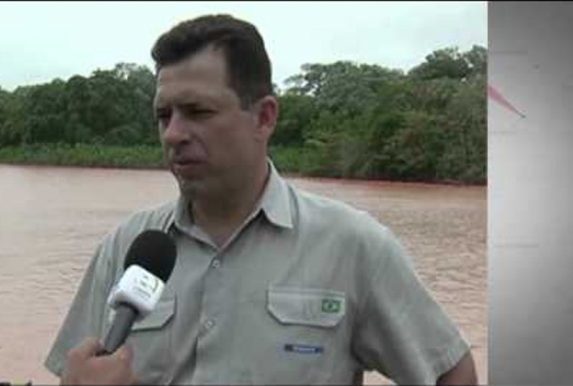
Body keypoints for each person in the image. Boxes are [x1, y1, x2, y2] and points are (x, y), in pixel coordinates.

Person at [45, 14, 478, 385]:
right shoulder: (126, 248)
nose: (173, 133)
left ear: (264, 117)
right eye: (164, 115)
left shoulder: (354, 246)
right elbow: (74, 369)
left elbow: (449, 372)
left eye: (198, 112)